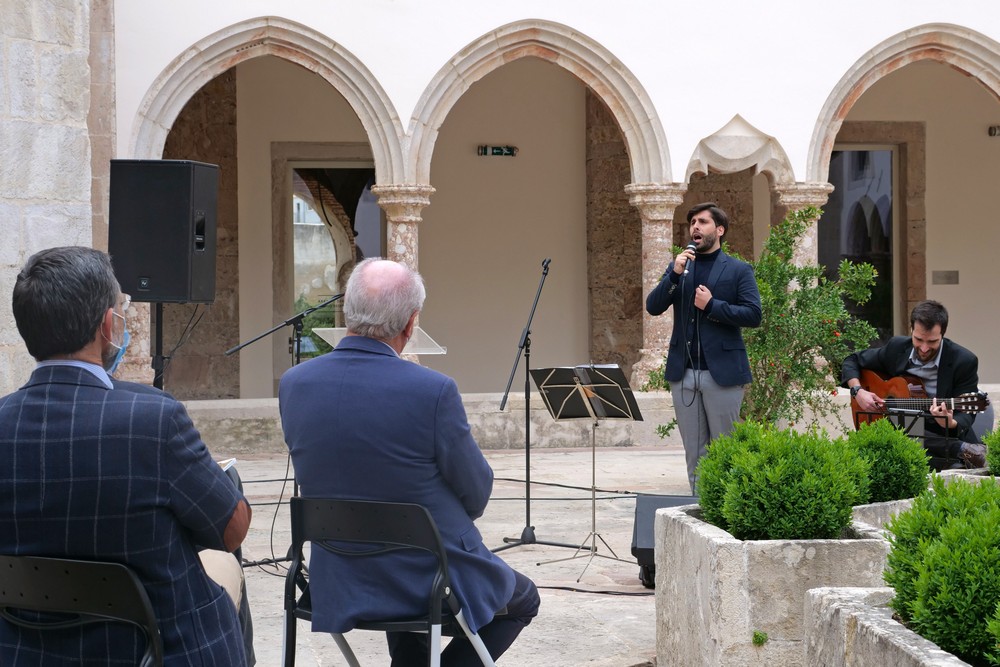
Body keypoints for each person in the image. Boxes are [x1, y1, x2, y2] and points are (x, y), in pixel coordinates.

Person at [279, 257, 540, 666]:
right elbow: (476, 494)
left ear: (346, 311)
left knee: (406, 565)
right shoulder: (432, 391)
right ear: (410, 323)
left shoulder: (294, 385)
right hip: (426, 581)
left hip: (339, 577)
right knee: (523, 598)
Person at [0, 246, 252, 665]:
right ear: (106, 325)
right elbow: (231, 531)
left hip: (27, 650)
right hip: (155, 649)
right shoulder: (153, 417)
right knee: (227, 577)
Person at [645, 202, 763, 493]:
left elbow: (753, 314)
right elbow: (653, 306)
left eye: (703, 222)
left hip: (721, 374)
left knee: (725, 451)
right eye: (692, 222)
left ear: (719, 230)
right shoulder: (681, 269)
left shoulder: (738, 270)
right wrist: (673, 274)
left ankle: (726, 512)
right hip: (684, 372)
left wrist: (713, 305)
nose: (695, 227)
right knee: (695, 454)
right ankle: (700, 513)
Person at [842, 299, 987, 469]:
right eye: (918, 339)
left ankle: (961, 449)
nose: (924, 348)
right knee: (897, 422)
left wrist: (949, 422)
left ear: (943, 334)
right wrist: (858, 391)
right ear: (911, 330)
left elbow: (966, 414)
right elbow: (852, 360)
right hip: (902, 431)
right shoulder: (897, 348)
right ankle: (958, 450)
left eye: (932, 342)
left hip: (943, 435)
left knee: (899, 425)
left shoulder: (963, 361)